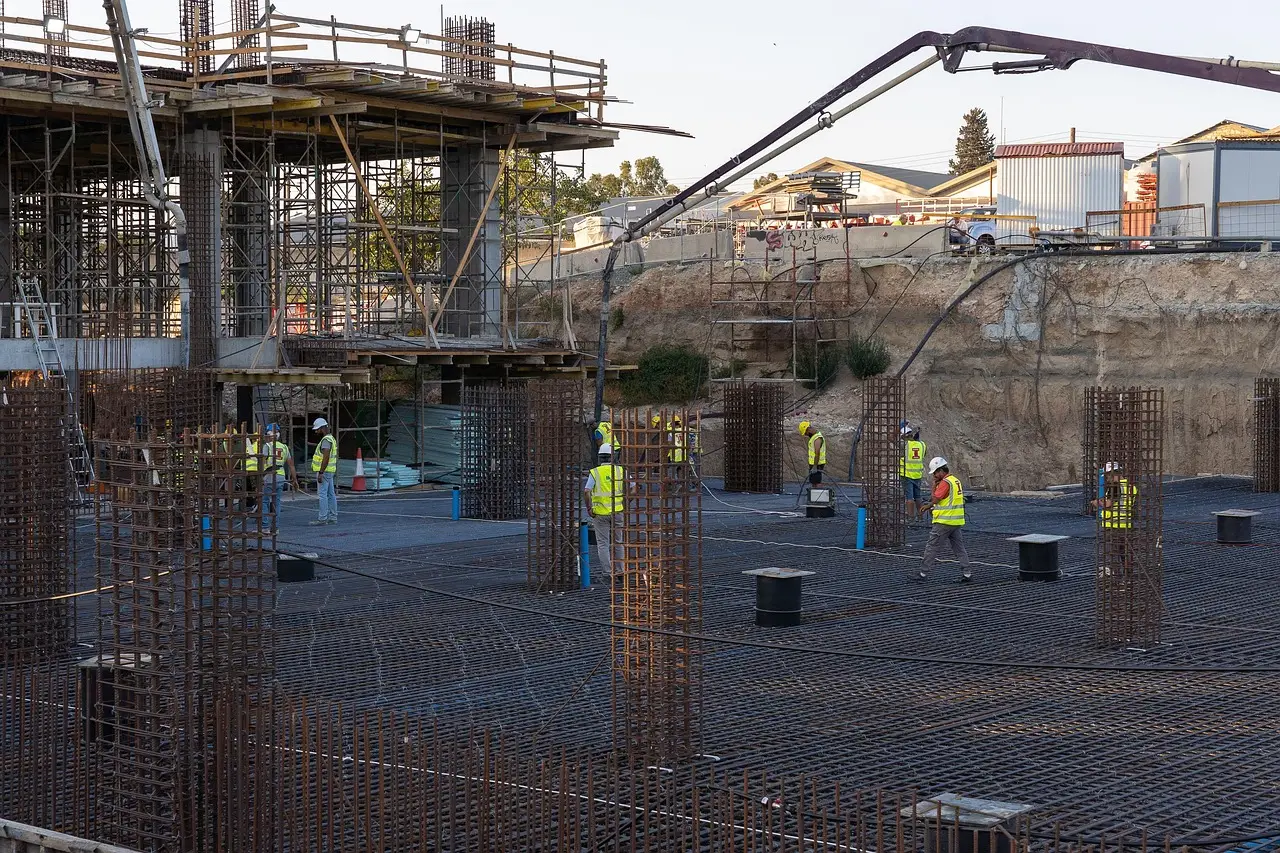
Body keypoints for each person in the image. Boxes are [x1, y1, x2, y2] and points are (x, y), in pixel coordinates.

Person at [917, 456, 971, 582]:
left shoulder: (945, 482)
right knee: (959, 548)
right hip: (956, 521)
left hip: (944, 522)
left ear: (941, 471)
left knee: (932, 546)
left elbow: (936, 499)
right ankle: (967, 573)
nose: (934, 475)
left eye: (935, 473)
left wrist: (927, 506)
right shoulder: (955, 480)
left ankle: (923, 574)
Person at [583, 448, 624, 579]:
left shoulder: (595, 472)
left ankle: (608, 572)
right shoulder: (620, 470)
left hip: (600, 513)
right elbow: (633, 487)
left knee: (603, 544)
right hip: (617, 511)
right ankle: (620, 571)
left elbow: (586, 491)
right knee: (618, 541)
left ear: (600, 457)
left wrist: (589, 508)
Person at [1091, 461, 1137, 574]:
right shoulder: (1131, 487)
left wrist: (1096, 503)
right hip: (1126, 525)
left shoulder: (1115, 487)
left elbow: (1108, 504)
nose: (1107, 479)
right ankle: (1127, 578)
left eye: (1107, 475)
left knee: (1111, 555)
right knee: (1125, 554)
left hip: (1113, 526)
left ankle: (1113, 579)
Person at [262, 424, 299, 523]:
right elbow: (291, 465)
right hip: (281, 477)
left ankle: (265, 526)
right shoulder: (284, 447)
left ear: (269, 434)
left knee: (264, 501)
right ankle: (275, 527)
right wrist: (295, 480)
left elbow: (262, 463)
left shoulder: (267, 446)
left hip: (269, 476)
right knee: (277, 502)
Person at [310, 417, 338, 526]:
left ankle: (322, 518)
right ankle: (333, 517)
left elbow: (325, 457)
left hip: (324, 472)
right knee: (331, 494)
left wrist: (321, 472)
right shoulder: (331, 439)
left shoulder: (326, 440)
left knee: (322, 495)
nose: (316, 432)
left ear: (322, 428)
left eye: (317, 429)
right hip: (330, 471)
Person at [899, 423, 927, 521]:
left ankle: (910, 518)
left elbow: (892, 439)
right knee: (918, 497)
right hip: (918, 475)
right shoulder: (922, 445)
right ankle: (920, 517)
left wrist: (897, 429)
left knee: (909, 498)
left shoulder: (905, 445)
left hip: (907, 475)